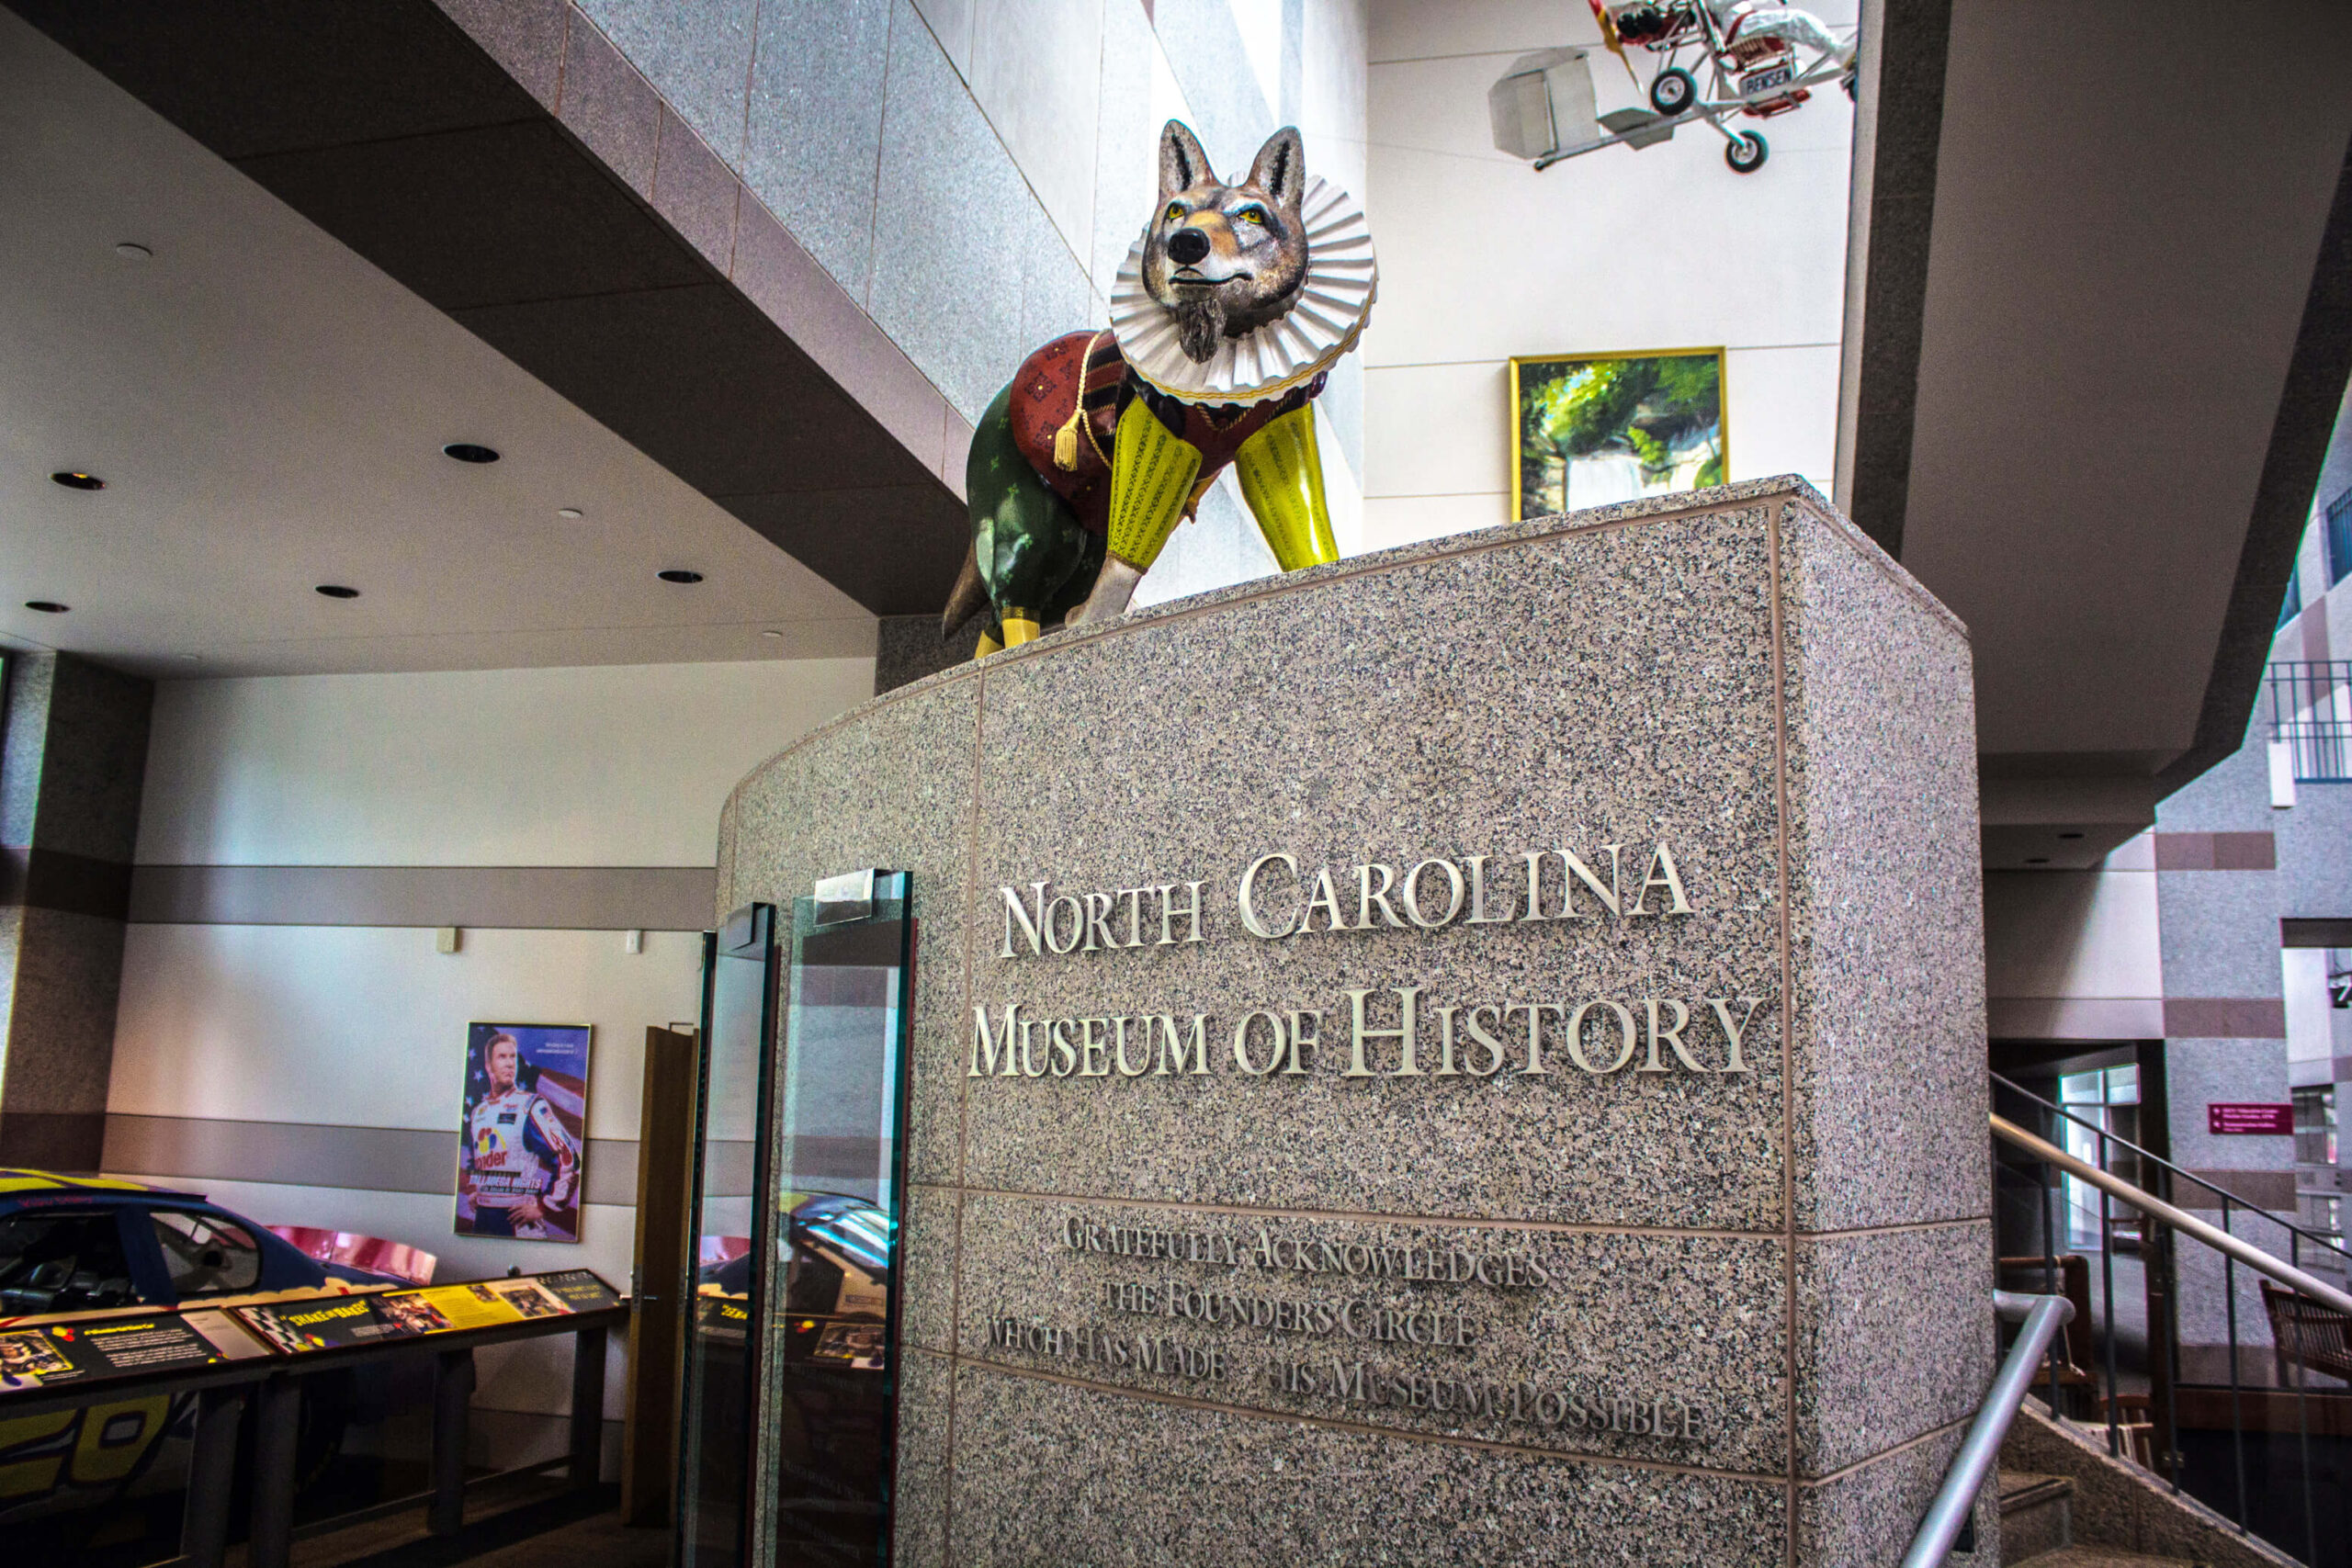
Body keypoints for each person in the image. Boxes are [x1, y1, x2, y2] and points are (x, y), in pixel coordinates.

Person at [460, 1032, 579, 1239]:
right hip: (484, 1218)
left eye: (513, 1057)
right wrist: (476, 1191)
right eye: (502, 1057)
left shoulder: (530, 1105)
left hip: (517, 1220)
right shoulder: (479, 1112)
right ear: (488, 1066)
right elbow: (479, 1159)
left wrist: (545, 1207)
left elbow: (567, 1157)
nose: (509, 1064)